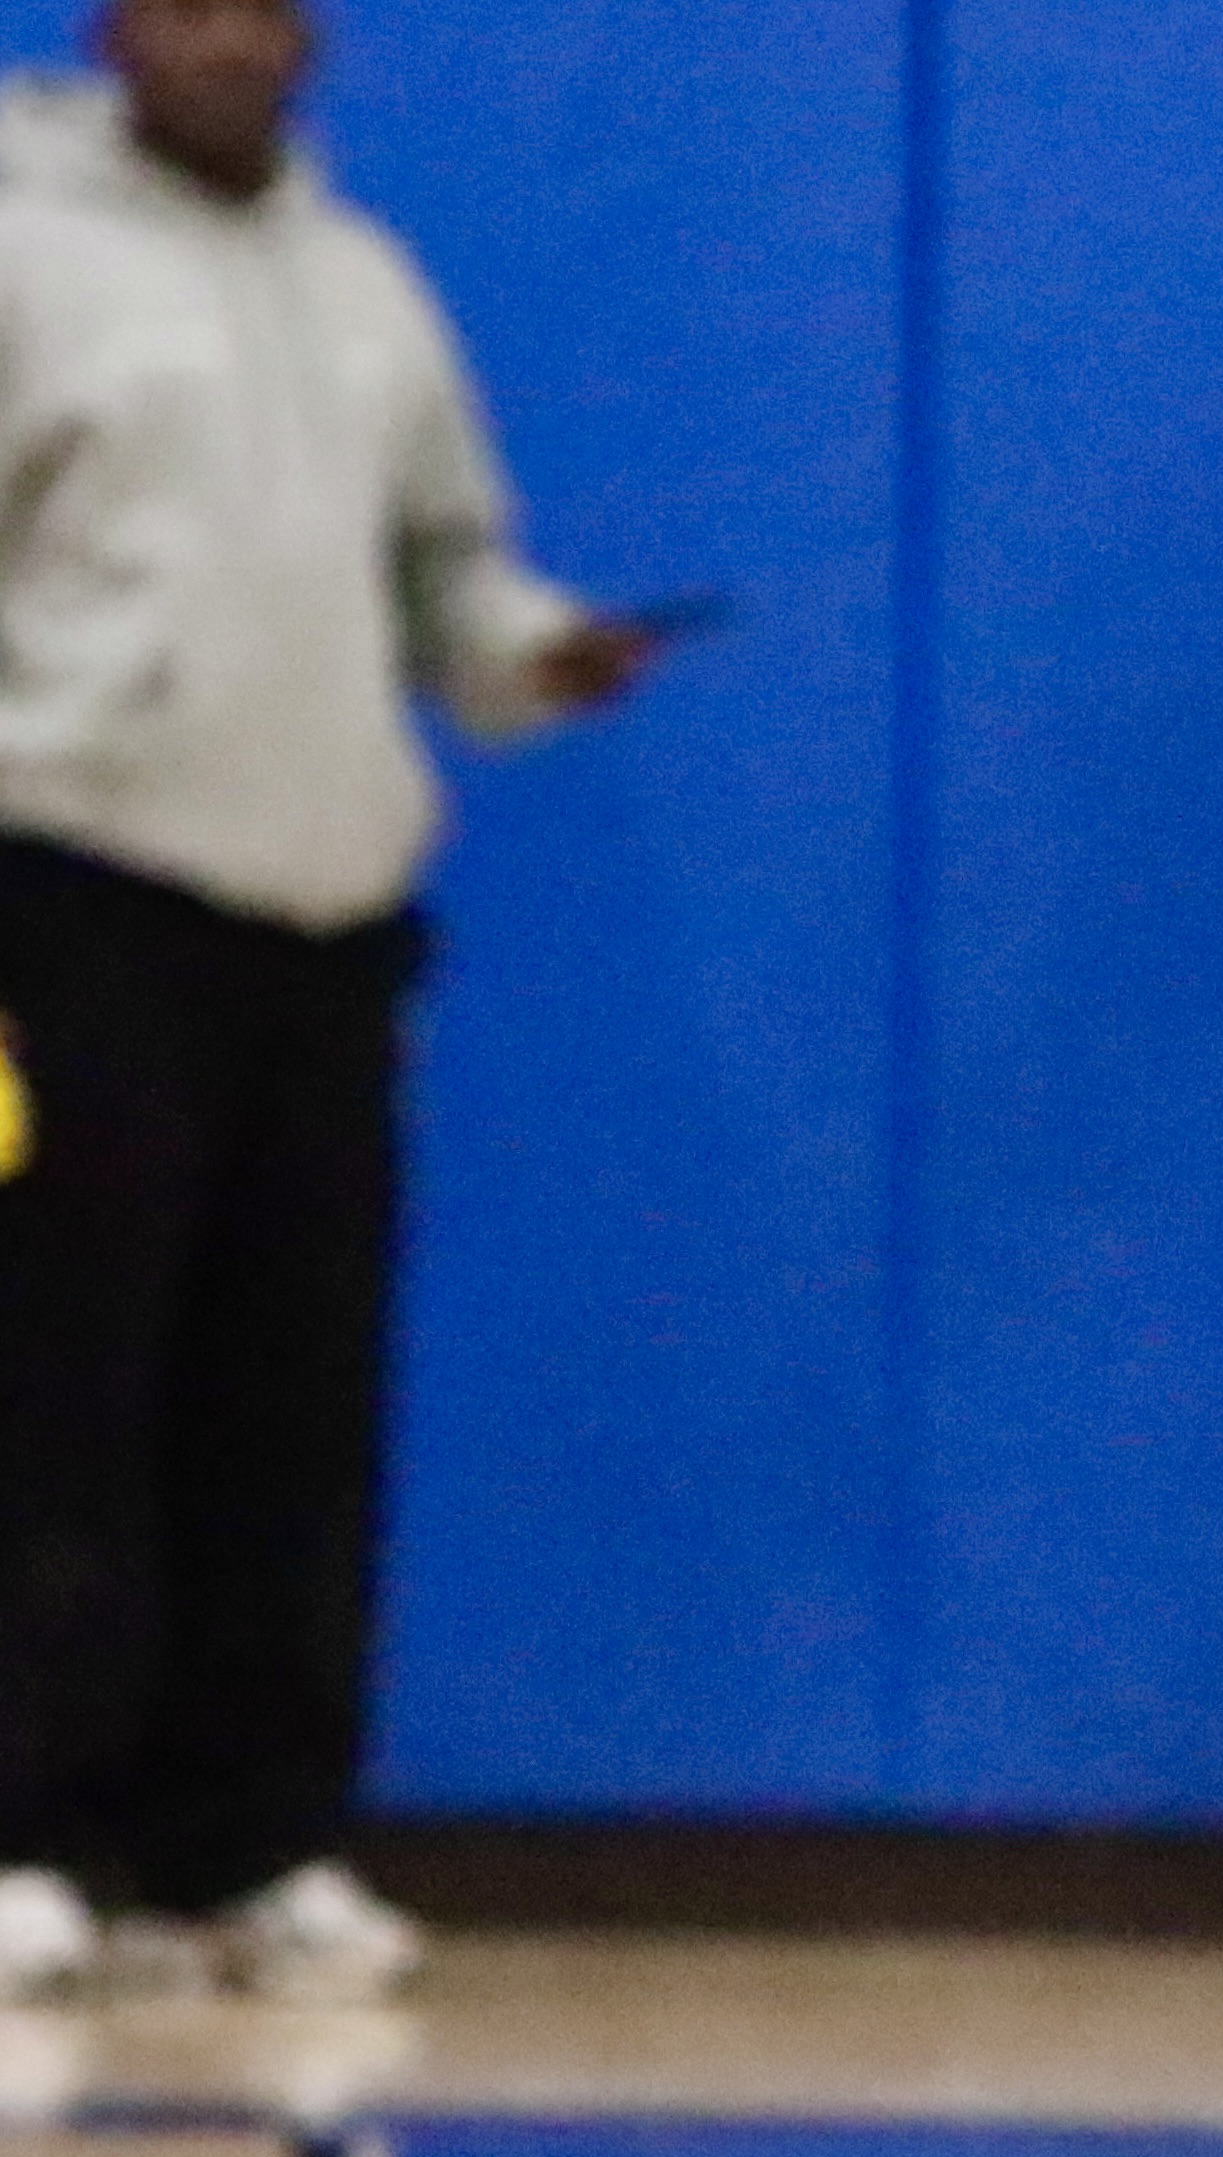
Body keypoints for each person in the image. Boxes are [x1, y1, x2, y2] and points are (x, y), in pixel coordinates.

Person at [0, 0, 661, 2007]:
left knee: (291, 1404)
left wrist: (528, 651)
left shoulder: (367, 287)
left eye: (265, 6)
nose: (230, 38)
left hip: (321, 928)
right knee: (55, 1389)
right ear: (115, 24)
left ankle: (251, 1840)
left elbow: (450, 577)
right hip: (68, 900)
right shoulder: (22, 246)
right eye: (187, 3)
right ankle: (29, 1831)